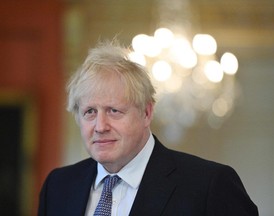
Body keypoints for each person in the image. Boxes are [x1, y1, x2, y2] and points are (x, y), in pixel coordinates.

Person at [38, 41, 258, 216]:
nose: (100, 126)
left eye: (114, 110)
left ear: (146, 113)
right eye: (90, 112)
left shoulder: (210, 185)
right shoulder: (58, 186)